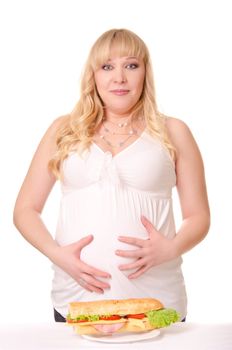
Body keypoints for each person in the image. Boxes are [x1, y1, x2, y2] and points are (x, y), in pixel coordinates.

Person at [13, 28, 210, 323]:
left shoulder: (173, 131)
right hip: (77, 301)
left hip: (157, 300)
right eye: (107, 67)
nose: (119, 78)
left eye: (131, 65)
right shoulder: (63, 130)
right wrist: (58, 254)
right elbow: (25, 210)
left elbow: (199, 216)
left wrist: (171, 248)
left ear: (145, 72)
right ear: (93, 75)